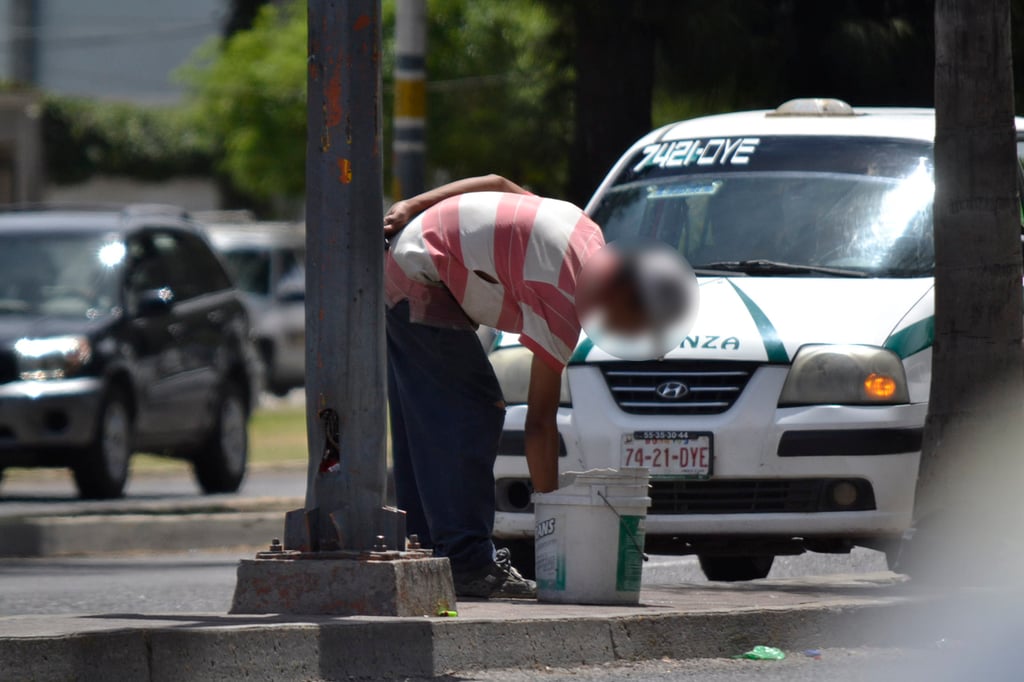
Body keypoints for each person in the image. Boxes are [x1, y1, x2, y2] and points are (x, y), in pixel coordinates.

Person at [384, 174, 682, 599]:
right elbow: (540, 423)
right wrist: (554, 519)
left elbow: (500, 184)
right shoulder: (565, 302)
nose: (623, 335)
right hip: (418, 273)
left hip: (411, 255)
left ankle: (423, 549)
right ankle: (468, 565)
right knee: (474, 406)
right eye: (633, 327)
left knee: (427, 419)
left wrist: (413, 203)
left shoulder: (586, 231)